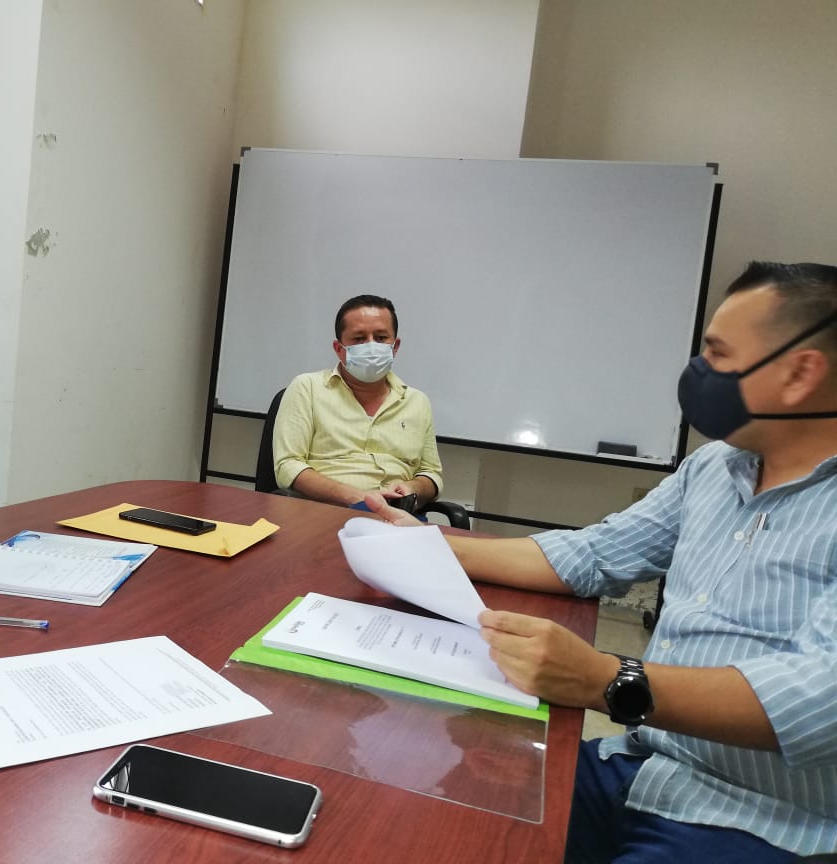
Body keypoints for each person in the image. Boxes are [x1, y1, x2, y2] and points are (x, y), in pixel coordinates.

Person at [366, 261, 837, 861]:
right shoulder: (713, 466)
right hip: (639, 766)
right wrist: (425, 543)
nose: (698, 371)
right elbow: (595, 553)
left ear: (800, 373)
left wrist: (605, 680)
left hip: (763, 819)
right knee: (426, 813)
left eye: (718, 354)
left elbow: (819, 699)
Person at [272, 294, 443, 511]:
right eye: (359, 338)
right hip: (324, 513)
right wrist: (357, 497)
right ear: (339, 348)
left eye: (381, 338)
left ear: (395, 346)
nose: (371, 346)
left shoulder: (417, 402)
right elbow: (288, 465)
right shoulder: (307, 388)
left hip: (397, 518)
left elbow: (431, 473)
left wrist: (413, 487)